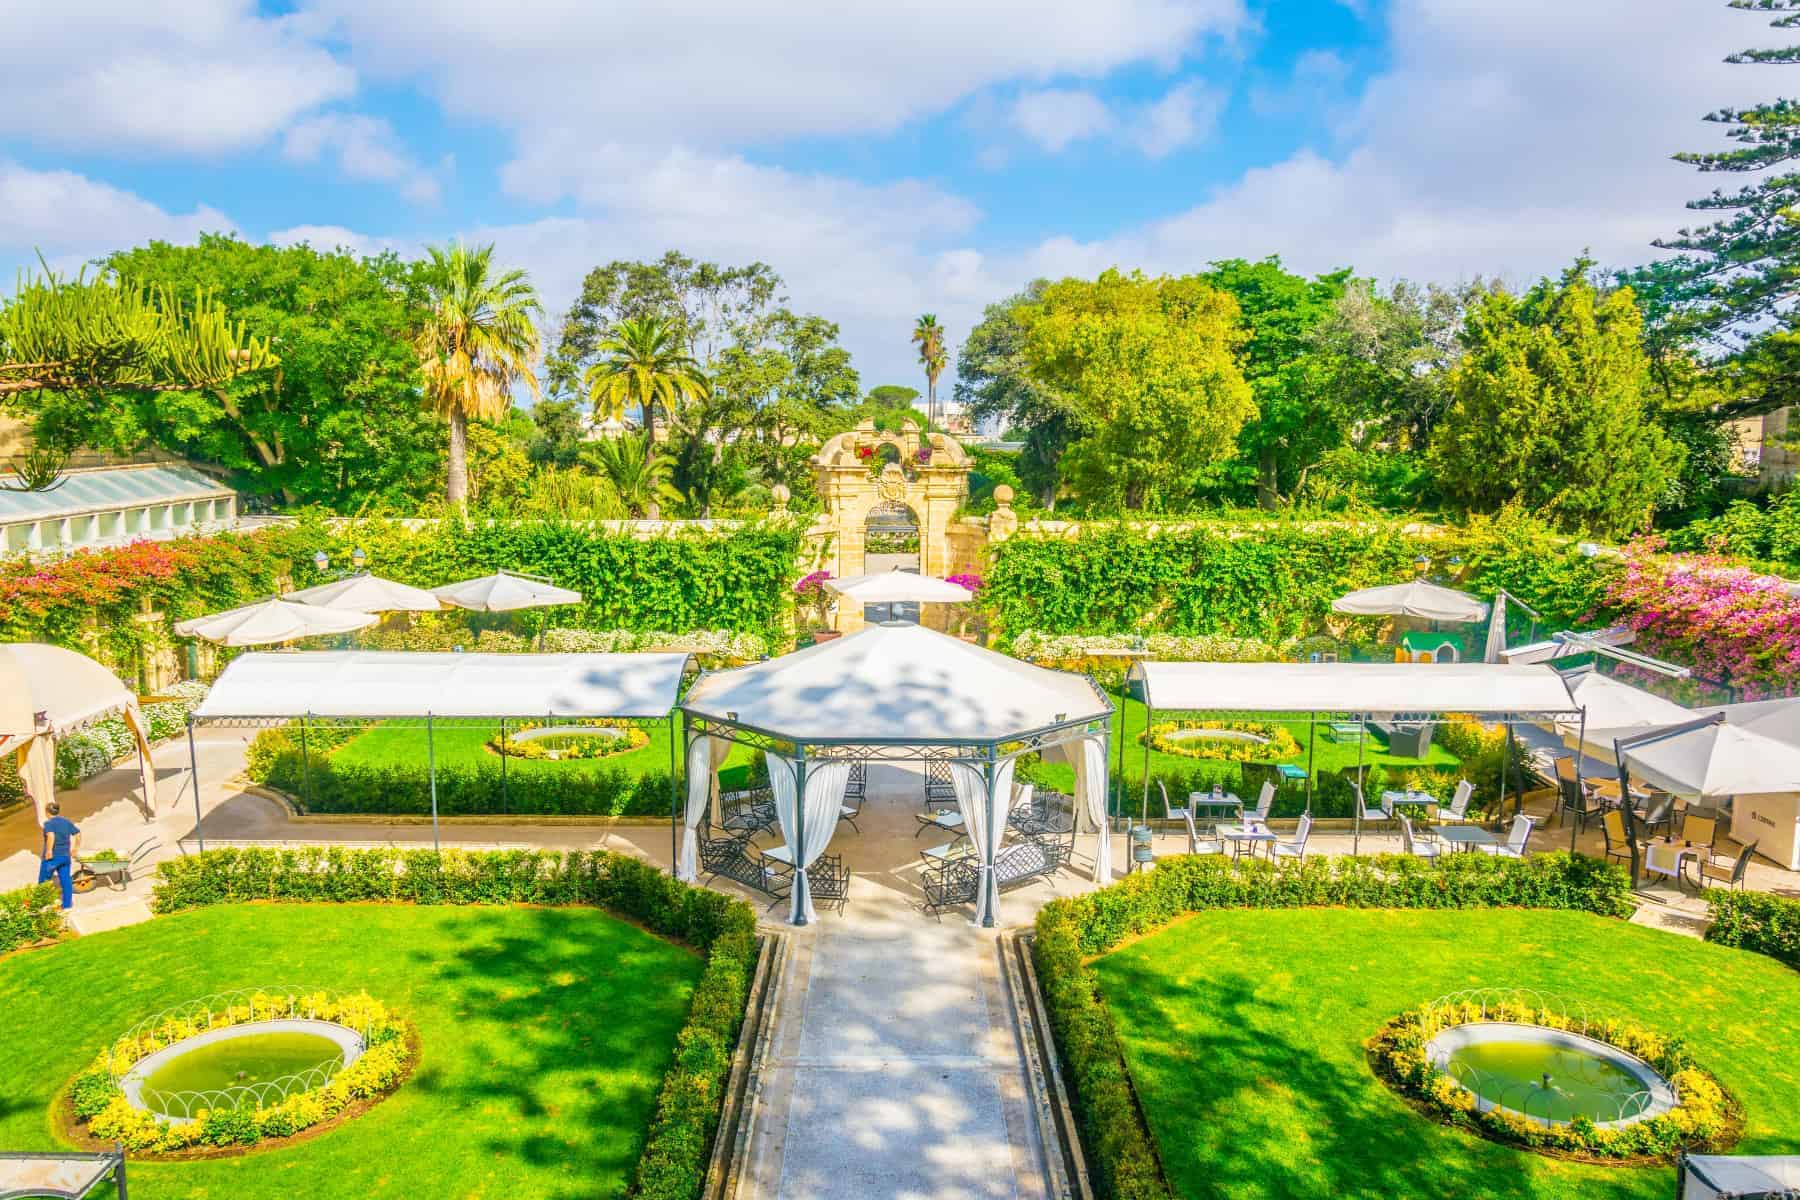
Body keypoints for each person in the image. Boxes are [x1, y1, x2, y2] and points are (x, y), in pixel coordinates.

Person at [38, 801, 80, 911]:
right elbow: (78, 833)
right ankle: (67, 905)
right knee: (66, 880)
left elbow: (51, 836)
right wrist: (75, 848)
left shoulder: (48, 823)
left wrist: (49, 851)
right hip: (65, 856)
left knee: (43, 882)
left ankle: (42, 905)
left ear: (47, 812)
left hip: (52, 858)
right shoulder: (66, 821)